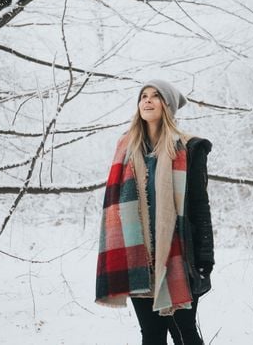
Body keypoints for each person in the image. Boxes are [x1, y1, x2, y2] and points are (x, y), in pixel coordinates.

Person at [95, 79, 215, 345]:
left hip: (179, 258)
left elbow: (199, 206)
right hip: (138, 259)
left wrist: (206, 261)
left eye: (155, 96)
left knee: (184, 333)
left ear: (168, 105)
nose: (147, 100)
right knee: (151, 335)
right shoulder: (126, 149)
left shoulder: (189, 148)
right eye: (143, 96)